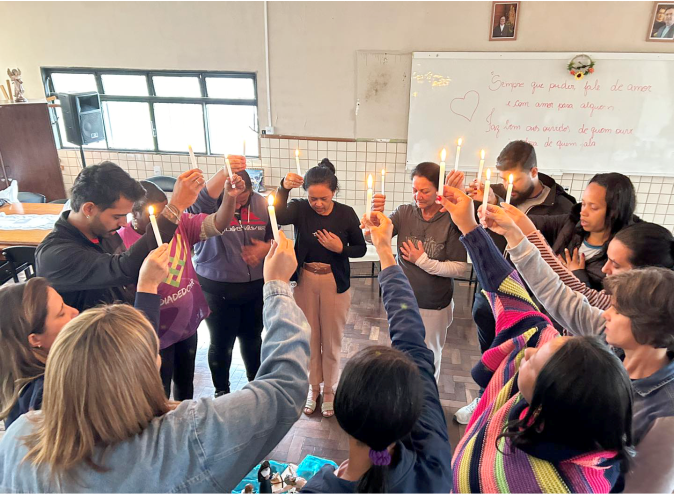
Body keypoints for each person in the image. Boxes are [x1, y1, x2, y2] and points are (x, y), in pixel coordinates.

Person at [0, 231, 312, 494]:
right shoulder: (186, 436)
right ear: (141, 372)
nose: (72, 312)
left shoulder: (20, 437)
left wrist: (147, 287)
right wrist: (277, 285)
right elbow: (283, 390)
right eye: (152, 353)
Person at [438, 187, 634, 493]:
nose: (527, 353)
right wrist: (469, 226)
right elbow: (509, 291)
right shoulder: (552, 388)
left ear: (549, 406)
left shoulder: (567, 486)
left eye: (533, 361)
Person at [481, 203, 674, 493]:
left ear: (648, 326)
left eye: (617, 309)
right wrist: (514, 234)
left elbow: (643, 488)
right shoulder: (610, 341)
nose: (606, 314)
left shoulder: (665, 416)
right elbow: (558, 293)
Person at [300, 211, 453, 494]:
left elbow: (410, 339)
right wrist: (384, 249)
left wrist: (274, 286)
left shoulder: (317, 489)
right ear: (414, 412)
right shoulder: (435, 464)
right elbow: (410, 338)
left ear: (341, 415)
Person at [455, 140, 576, 424]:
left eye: (513, 179)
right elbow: (478, 236)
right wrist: (478, 205)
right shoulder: (494, 193)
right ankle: (484, 398)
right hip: (490, 296)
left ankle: (513, 408)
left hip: (529, 302)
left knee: (523, 358)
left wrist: (502, 210)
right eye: (502, 178)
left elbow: (550, 258)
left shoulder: (562, 207)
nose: (506, 185)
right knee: (491, 351)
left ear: (534, 171)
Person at [0, 247, 169, 429]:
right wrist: (147, 286)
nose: (75, 311)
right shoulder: (54, 393)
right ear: (34, 340)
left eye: (65, 304)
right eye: (61, 313)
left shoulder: (27, 384)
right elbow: (138, 360)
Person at [117, 173, 246, 400]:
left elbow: (218, 223)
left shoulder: (181, 223)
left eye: (168, 209)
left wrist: (230, 196)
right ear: (134, 214)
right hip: (154, 332)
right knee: (158, 391)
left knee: (185, 384)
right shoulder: (121, 243)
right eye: (156, 214)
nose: (168, 217)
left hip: (185, 324)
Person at [35, 161, 204, 311]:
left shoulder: (103, 232)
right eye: (117, 216)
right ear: (89, 209)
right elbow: (124, 267)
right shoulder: (56, 256)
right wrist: (175, 208)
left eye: (126, 215)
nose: (124, 223)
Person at [276, 158, 366, 418]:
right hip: (305, 279)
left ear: (334, 192)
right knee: (310, 337)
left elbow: (360, 249)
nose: (317, 203)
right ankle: (313, 387)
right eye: (312, 198)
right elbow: (278, 215)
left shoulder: (346, 213)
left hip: (333, 282)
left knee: (332, 338)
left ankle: (329, 389)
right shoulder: (300, 209)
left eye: (323, 198)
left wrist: (341, 249)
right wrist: (284, 188)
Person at [370, 163, 468, 381]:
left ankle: (426, 398)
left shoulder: (451, 219)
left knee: (429, 358)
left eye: (424, 191)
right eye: (415, 190)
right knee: (401, 356)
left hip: (434, 305)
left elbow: (460, 268)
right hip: (403, 302)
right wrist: (373, 218)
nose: (418, 196)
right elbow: (375, 238)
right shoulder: (405, 212)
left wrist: (423, 261)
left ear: (439, 190)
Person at [188, 164, 273, 397]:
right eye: (234, 199)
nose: (238, 205)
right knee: (221, 343)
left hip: (254, 286)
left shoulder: (261, 204)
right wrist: (224, 177)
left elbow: (273, 235)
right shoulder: (208, 206)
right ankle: (221, 391)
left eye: (243, 200)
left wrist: (265, 247)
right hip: (217, 287)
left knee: (253, 340)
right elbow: (200, 201)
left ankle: (256, 385)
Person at [494, 209, 674, 310]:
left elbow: (574, 294)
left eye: (616, 265)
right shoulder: (617, 299)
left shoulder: (619, 310)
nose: (605, 269)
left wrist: (526, 235)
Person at [528, 172, 637, 290]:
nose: (583, 212)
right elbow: (530, 222)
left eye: (593, 207)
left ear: (614, 212)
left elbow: (606, 299)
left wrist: (578, 275)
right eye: (584, 204)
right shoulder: (571, 223)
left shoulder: (622, 254)